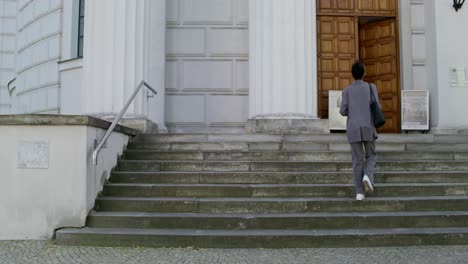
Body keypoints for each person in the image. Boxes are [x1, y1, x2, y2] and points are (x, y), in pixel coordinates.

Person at [339, 61, 380, 201]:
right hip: (368, 126)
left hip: (353, 128)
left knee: (357, 160)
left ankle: (359, 193)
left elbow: (342, 111)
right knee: (371, 155)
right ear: (364, 73)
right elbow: (377, 107)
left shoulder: (346, 91)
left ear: (352, 74)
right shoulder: (371, 87)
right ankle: (368, 176)